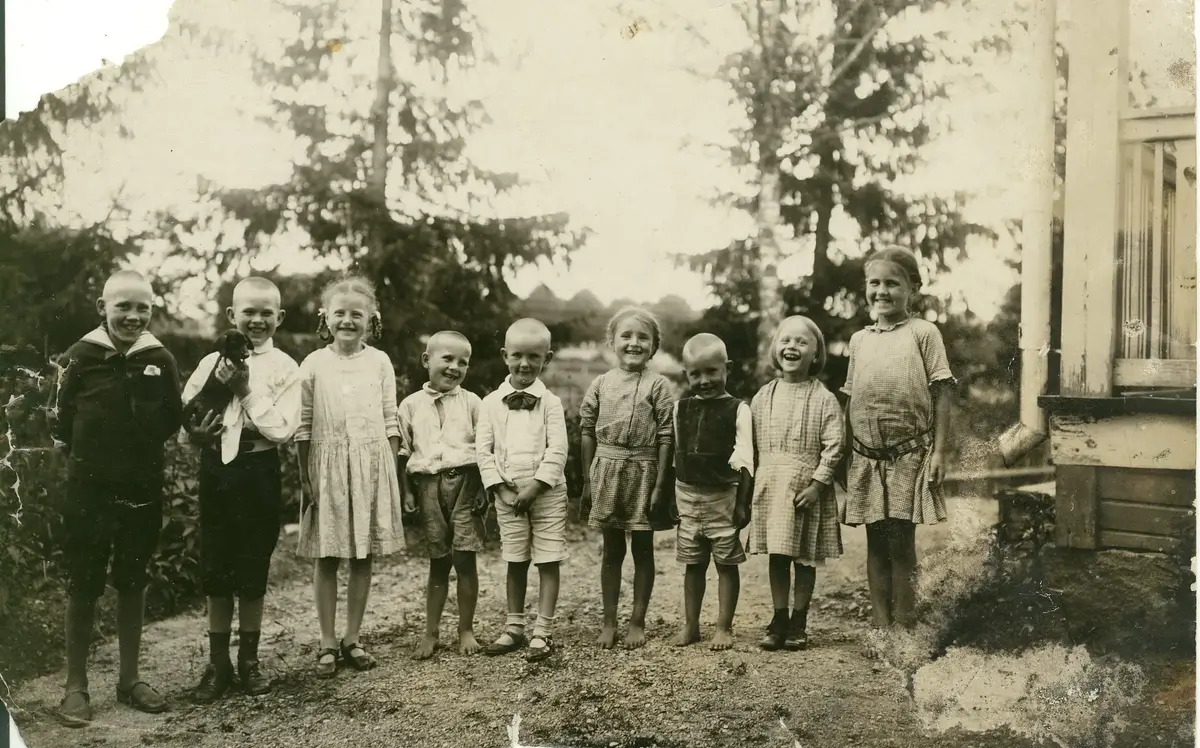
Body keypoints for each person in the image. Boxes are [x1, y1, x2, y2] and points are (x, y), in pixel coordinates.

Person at [51, 270, 184, 726]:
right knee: (84, 579)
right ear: (102, 308)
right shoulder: (80, 356)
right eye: (122, 306)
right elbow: (60, 419)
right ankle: (75, 686)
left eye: (141, 307)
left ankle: (129, 680)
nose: (132, 315)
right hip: (88, 488)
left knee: (133, 577)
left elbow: (171, 416)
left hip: (140, 487)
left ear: (152, 310)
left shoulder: (159, 358)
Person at [181, 277, 301, 701]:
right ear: (232, 315)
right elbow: (186, 416)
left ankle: (249, 661)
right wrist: (194, 432)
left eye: (267, 312)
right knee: (216, 565)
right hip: (217, 468)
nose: (257, 320)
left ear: (279, 318)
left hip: (258, 470)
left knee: (252, 565)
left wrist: (245, 391)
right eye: (249, 311)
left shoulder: (286, 368)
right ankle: (218, 665)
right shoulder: (209, 362)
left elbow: (282, 429)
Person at [295, 275, 404, 677]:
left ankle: (352, 638)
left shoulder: (379, 362)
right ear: (326, 317)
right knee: (327, 556)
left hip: (370, 467)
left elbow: (391, 419)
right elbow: (304, 425)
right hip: (326, 468)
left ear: (371, 319)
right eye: (339, 313)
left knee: (362, 554)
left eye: (356, 314)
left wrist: (391, 473)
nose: (347, 320)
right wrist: (305, 477)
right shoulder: (313, 364)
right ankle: (327, 641)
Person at [840, 246, 954, 630]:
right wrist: (845, 454)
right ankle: (881, 624)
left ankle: (905, 627)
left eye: (892, 283)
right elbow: (852, 398)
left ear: (913, 288)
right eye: (874, 283)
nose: (882, 291)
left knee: (902, 543)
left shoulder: (923, 333)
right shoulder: (859, 340)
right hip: (867, 457)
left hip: (909, 455)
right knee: (875, 542)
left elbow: (942, 392)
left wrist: (939, 452)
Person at [580, 306, 675, 650]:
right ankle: (609, 623)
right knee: (612, 549)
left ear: (654, 346)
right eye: (626, 335)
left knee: (643, 550)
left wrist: (660, 485)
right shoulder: (600, 383)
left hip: (645, 472)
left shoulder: (659, 385)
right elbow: (586, 430)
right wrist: (588, 481)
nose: (634, 343)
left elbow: (666, 436)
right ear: (612, 341)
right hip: (607, 471)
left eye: (643, 337)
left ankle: (637, 621)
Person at [748, 315, 845, 652]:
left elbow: (835, 445)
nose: (792, 347)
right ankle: (779, 618)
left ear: (816, 354)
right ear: (775, 349)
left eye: (802, 342)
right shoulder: (763, 396)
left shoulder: (823, 398)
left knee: (804, 558)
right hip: (773, 487)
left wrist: (818, 484)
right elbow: (751, 444)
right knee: (778, 555)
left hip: (805, 491)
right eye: (786, 340)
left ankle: (798, 620)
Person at [476, 319, 569, 663]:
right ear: (505, 355)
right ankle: (514, 627)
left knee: (548, 558)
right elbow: (483, 451)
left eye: (534, 356)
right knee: (515, 559)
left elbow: (558, 449)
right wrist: (500, 489)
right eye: (517, 355)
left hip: (546, 494)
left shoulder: (551, 403)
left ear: (547, 358)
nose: (525, 364)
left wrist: (537, 486)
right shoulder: (490, 403)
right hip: (508, 495)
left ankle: (543, 631)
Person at [399, 331, 487, 660]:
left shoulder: (473, 403)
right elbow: (403, 452)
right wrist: (407, 492)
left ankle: (466, 629)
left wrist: (483, 487)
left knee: (465, 559)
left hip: (465, 485)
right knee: (438, 562)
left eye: (463, 362)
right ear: (426, 360)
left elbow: (485, 448)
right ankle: (431, 633)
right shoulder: (410, 405)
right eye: (447, 359)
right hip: (428, 487)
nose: (454, 367)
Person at [670, 334, 754, 651]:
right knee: (693, 564)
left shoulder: (738, 409)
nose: (704, 381)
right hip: (687, 497)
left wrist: (743, 504)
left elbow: (746, 460)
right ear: (686, 374)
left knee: (725, 563)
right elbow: (675, 456)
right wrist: (671, 498)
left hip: (723, 498)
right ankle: (691, 626)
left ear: (727, 368)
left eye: (712, 372)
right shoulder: (679, 409)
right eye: (696, 374)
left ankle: (723, 627)